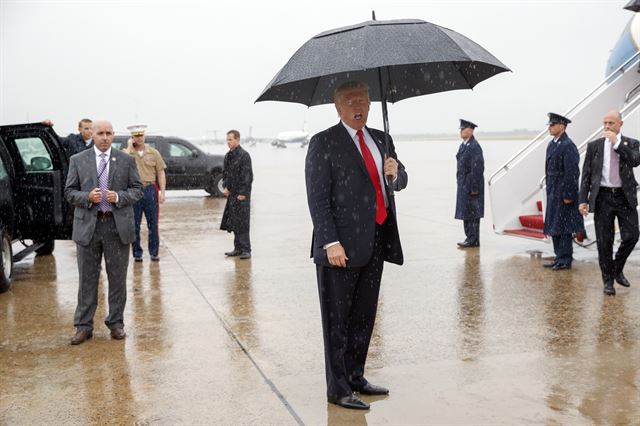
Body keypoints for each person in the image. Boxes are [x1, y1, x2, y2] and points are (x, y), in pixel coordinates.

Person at [305, 81, 408, 410]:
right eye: (351, 101)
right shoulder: (323, 143)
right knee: (338, 321)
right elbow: (317, 200)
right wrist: (330, 241)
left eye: (363, 100)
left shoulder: (382, 139)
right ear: (338, 107)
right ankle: (337, 388)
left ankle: (356, 376)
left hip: (376, 240)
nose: (358, 106)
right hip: (340, 248)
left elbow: (399, 181)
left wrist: (395, 173)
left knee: (364, 316)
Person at [64, 120, 142, 345]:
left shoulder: (126, 160)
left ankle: (116, 323)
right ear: (92, 135)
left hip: (117, 227)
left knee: (117, 279)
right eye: (100, 133)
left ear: (113, 135)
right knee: (87, 279)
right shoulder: (78, 160)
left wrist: (117, 197)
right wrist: (87, 197)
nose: (105, 137)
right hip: (89, 226)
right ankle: (83, 326)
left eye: (109, 133)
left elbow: (137, 189)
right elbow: (69, 192)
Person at [579, 110, 640, 295]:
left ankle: (616, 268)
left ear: (620, 124)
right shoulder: (594, 146)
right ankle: (608, 281)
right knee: (604, 241)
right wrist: (583, 200)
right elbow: (586, 176)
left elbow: (636, 160)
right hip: (603, 197)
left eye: (611, 123)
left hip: (624, 196)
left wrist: (617, 143)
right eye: (605, 123)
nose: (607, 126)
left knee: (632, 235)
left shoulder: (632, 143)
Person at [543, 112, 584, 271]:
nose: (550, 127)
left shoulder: (568, 145)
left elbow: (572, 172)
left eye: (553, 124)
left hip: (563, 191)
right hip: (553, 190)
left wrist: (568, 194)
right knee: (555, 225)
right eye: (549, 124)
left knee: (564, 226)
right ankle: (558, 256)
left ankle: (565, 259)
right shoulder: (552, 144)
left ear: (562, 126)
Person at [123, 124, 167, 262]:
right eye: (136, 136)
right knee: (134, 224)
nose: (139, 138)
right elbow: (121, 165)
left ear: (144, 136)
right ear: (131, 137)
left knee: (153, 223)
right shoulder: (126, 152)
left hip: (150, 190)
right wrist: (130, 148)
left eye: (141, 135)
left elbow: (160, 172)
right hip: (133, 190)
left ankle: (154, 252)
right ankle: (137, 253)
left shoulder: (153, 153)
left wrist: (162, 192)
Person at [220, 130, 253, 259]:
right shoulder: (228, 156)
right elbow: (225, 173)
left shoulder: (244, 156)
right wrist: (226, 187)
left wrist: (243, 193)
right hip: (232, 194)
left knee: (243, 222)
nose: (228, 142)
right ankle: (237, 248)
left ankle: (246, 249)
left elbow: (248, 176)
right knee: (234, 221)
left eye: (231, 140)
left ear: (237, 140)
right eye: (227, 140)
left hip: (242, 195)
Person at [455, 119, 484, 248]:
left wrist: (474, 188)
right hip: (463, 184)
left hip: (471, 185)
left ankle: (473, 239)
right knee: (466, 212)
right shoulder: (463, 145)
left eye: (463, 129)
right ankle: (469, 237)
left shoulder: (474, 146)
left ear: (471, 131)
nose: (461, 131)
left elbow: (477, 169)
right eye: (460, 129)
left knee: (473, 213)